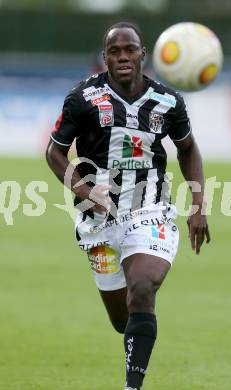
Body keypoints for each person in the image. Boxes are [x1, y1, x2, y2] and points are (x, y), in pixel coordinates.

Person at [46, 22, 210, 389]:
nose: (123, 57)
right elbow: (54, 153)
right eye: (115, 51)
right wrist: (86, 190)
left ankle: (131, 386)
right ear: (104, 57)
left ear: (142, 54)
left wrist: (198, 204)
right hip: (98, 220)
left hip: (149, 208)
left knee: (143, 287)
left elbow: (188, 150)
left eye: (129, 50)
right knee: (123, 320)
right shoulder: (82, 99)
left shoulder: (168, 102)